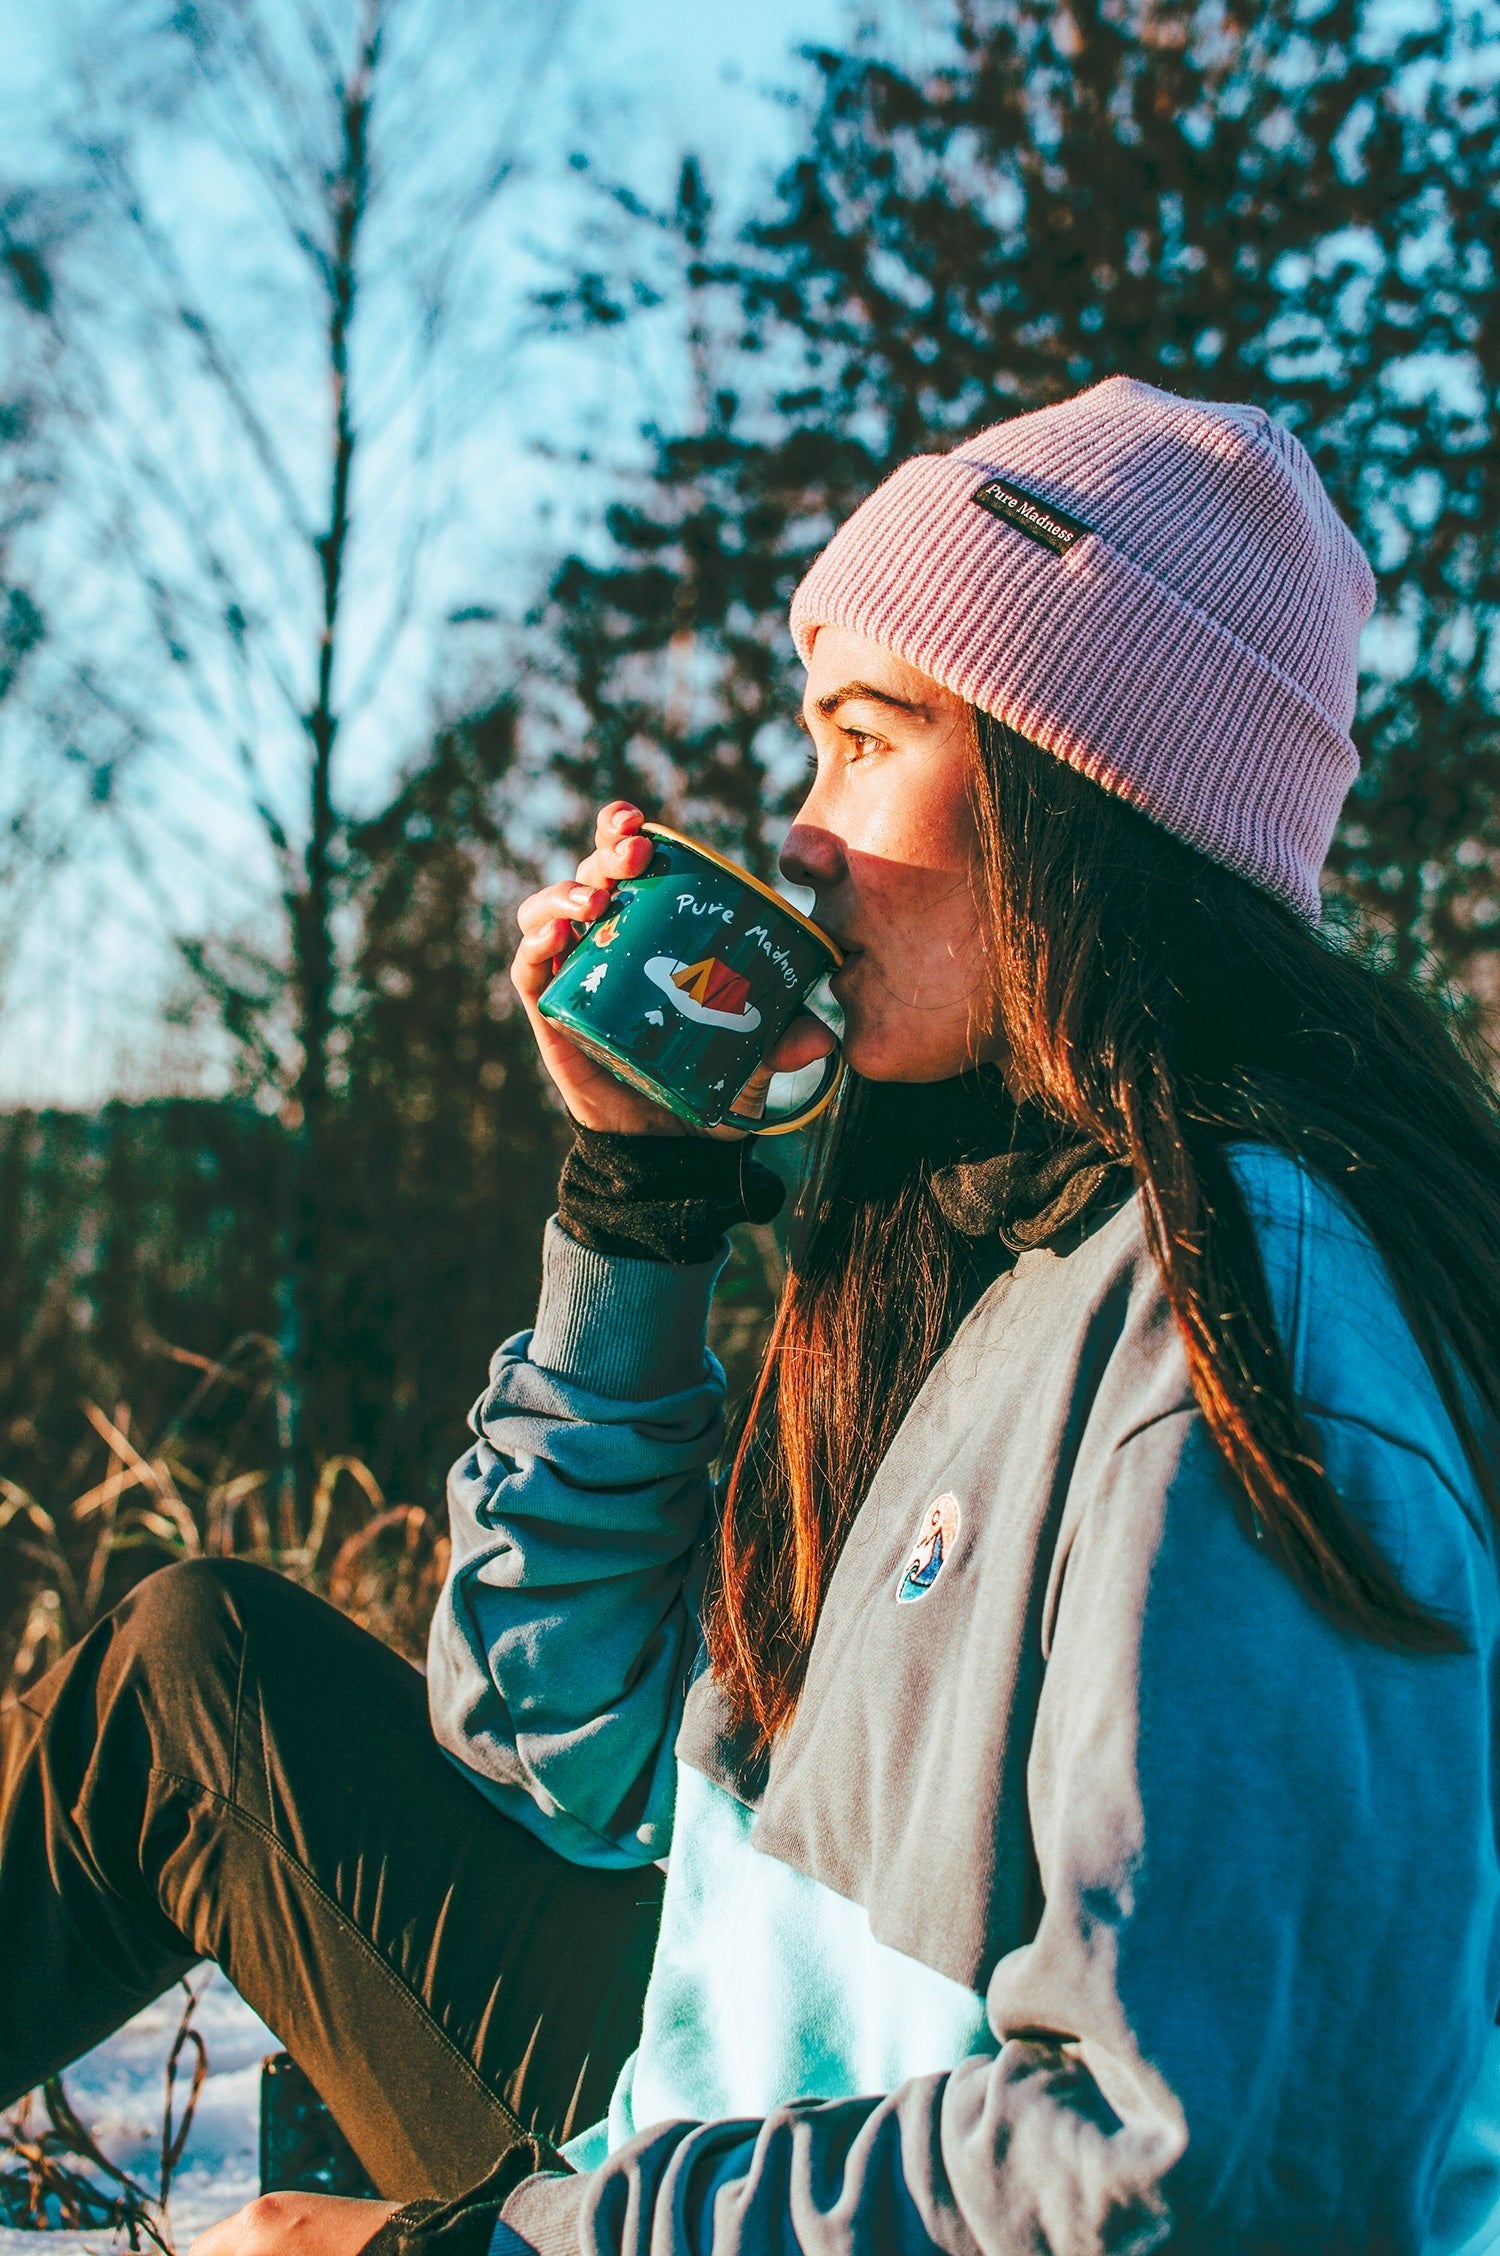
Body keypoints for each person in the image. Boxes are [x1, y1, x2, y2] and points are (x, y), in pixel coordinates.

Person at [5, 374, 1500, 2256]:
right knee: (195, 1663)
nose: (801, 831)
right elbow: (560, 1745)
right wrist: (640, 1201)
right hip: (713, 2135)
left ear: (1083, 791)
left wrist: (486, 2249)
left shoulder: (1244, 1342)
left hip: (743, 2205)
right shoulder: (974, 1230)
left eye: (870, 743)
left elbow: (1200, 2176)